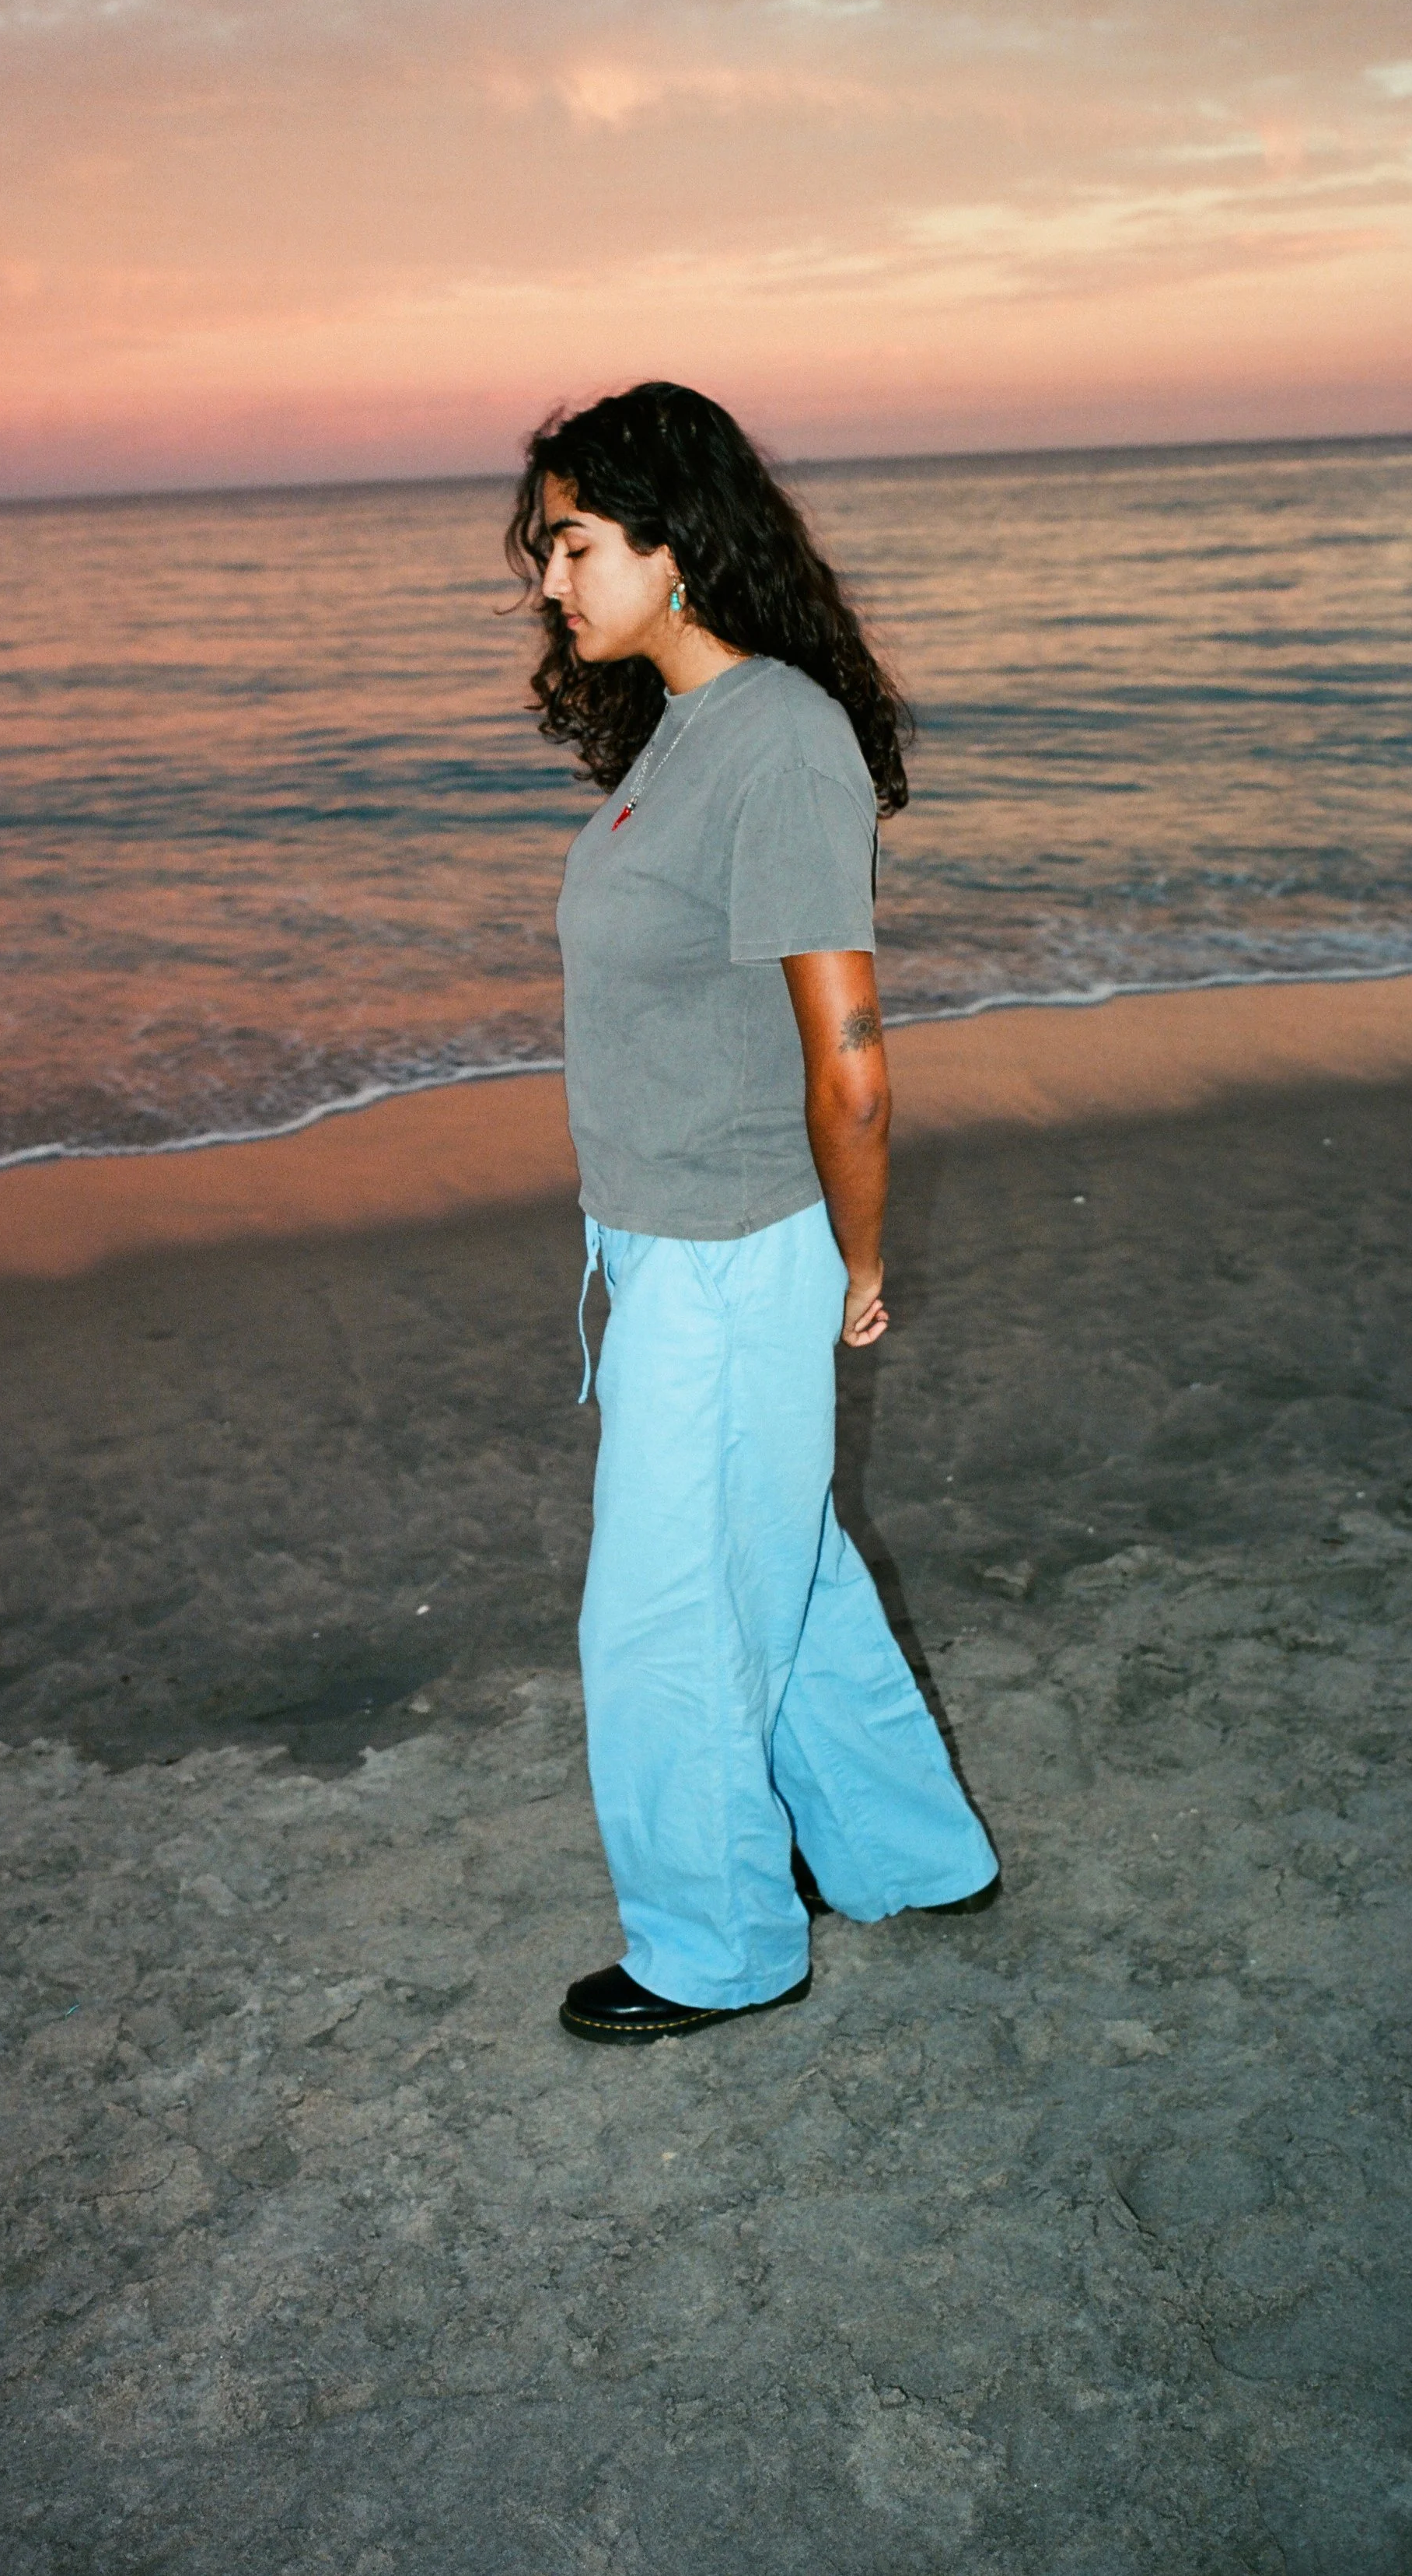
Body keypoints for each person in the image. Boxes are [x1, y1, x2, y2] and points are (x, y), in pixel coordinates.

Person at [509, 381, 998, 2046]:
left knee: (666, 1604)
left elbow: (847, 1055)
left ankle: (717, 1943)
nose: (552, 583)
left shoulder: (780, 734)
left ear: (672, 539)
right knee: (776, 1570)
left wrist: (855, 1258)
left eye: (572, 544)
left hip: (729, 1250)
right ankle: (909, 1856)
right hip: (674, 1241)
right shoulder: (690, 730)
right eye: (547, 551)